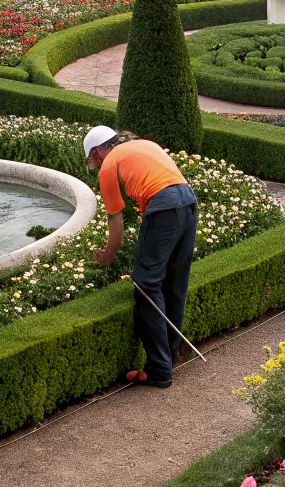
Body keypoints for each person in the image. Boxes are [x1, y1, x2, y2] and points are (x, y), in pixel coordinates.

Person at [84, 125, 198, 388]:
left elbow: (115, 218)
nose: (96, 163)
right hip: (189, 202)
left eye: (93, 159)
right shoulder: (146, 145)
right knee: (174, 284)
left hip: (165, 206)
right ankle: (168, 359)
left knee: (145, 283)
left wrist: (108, 255)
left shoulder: (108, 165)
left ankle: (159, 369)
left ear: (98, 152)